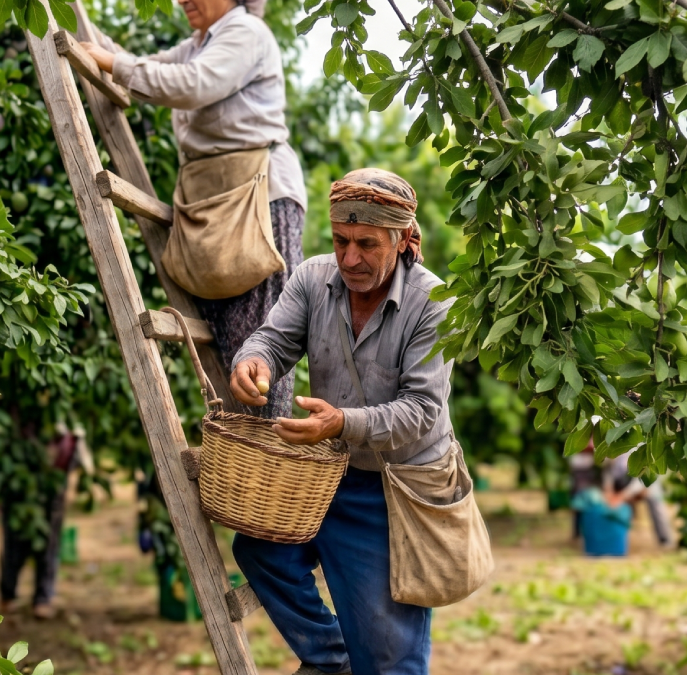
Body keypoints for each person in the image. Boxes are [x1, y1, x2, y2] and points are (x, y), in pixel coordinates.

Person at [227, 169, 452, 675]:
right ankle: (331, 661)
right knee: (260, 548)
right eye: (341, 241)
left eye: (367, 244)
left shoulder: (432, 303)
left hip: (396, 490)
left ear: (401, 240)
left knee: (389, 658)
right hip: (328, 477)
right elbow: (271, 339)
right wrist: (252, 361)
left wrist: (340, 423)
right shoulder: (312, 278)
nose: (350, 258)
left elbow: (422, 412)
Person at [81, 0, 308, 418]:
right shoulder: (199, 44)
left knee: (260, 339)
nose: (182, 0)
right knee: (231, 341)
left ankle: (263, 456)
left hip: (256, 195)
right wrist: (86, 34)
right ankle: (248, 452)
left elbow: (191, 84)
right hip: (216, 197)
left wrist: (115, 62)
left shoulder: (246, 33)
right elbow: (140, 66)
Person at [0, 425, 90, 619]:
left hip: (53, 490)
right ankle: (8, 595)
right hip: (19, 489)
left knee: (49, 546)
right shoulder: (19, 415)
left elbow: (79, 458)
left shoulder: (65, 422)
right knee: (14, 545)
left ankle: (43, 599)